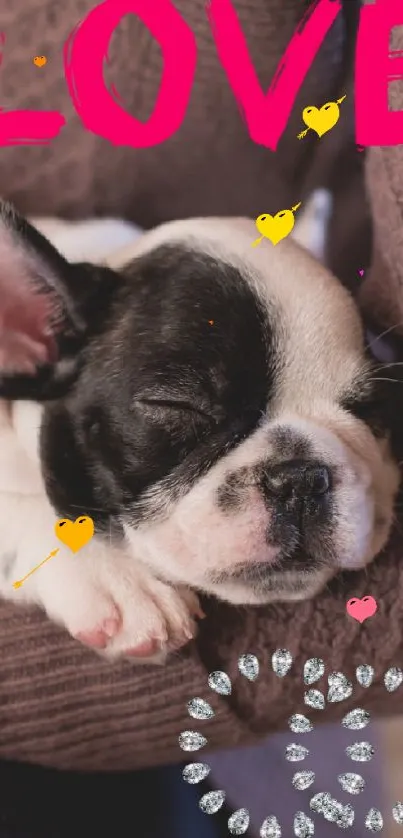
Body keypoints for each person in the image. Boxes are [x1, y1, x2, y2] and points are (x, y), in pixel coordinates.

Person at [0, 0, 402, 775]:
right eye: (179, 413)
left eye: (363, 408)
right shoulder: (71, 321)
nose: (297, 486)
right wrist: (39, 549)